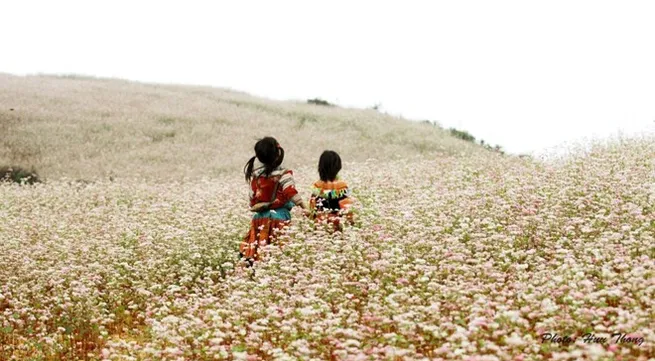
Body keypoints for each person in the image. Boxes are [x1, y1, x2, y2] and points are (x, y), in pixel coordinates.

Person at [239, 137, 307, 266]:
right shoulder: (283, 173)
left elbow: (252, 199)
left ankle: (249, 270)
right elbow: (290, 191)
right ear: (277, 154)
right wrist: (304, 207)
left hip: (258, 218)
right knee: (277, 253)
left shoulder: (256, 175)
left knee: (256, 251)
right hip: (278, 217)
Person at [308, 150, 354, 231]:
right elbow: (346, 206)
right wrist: (350, 220)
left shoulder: (317, 185)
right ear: (338, 166)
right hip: (338, 222)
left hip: (320, 222)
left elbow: (313, 206)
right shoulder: (342, 185)